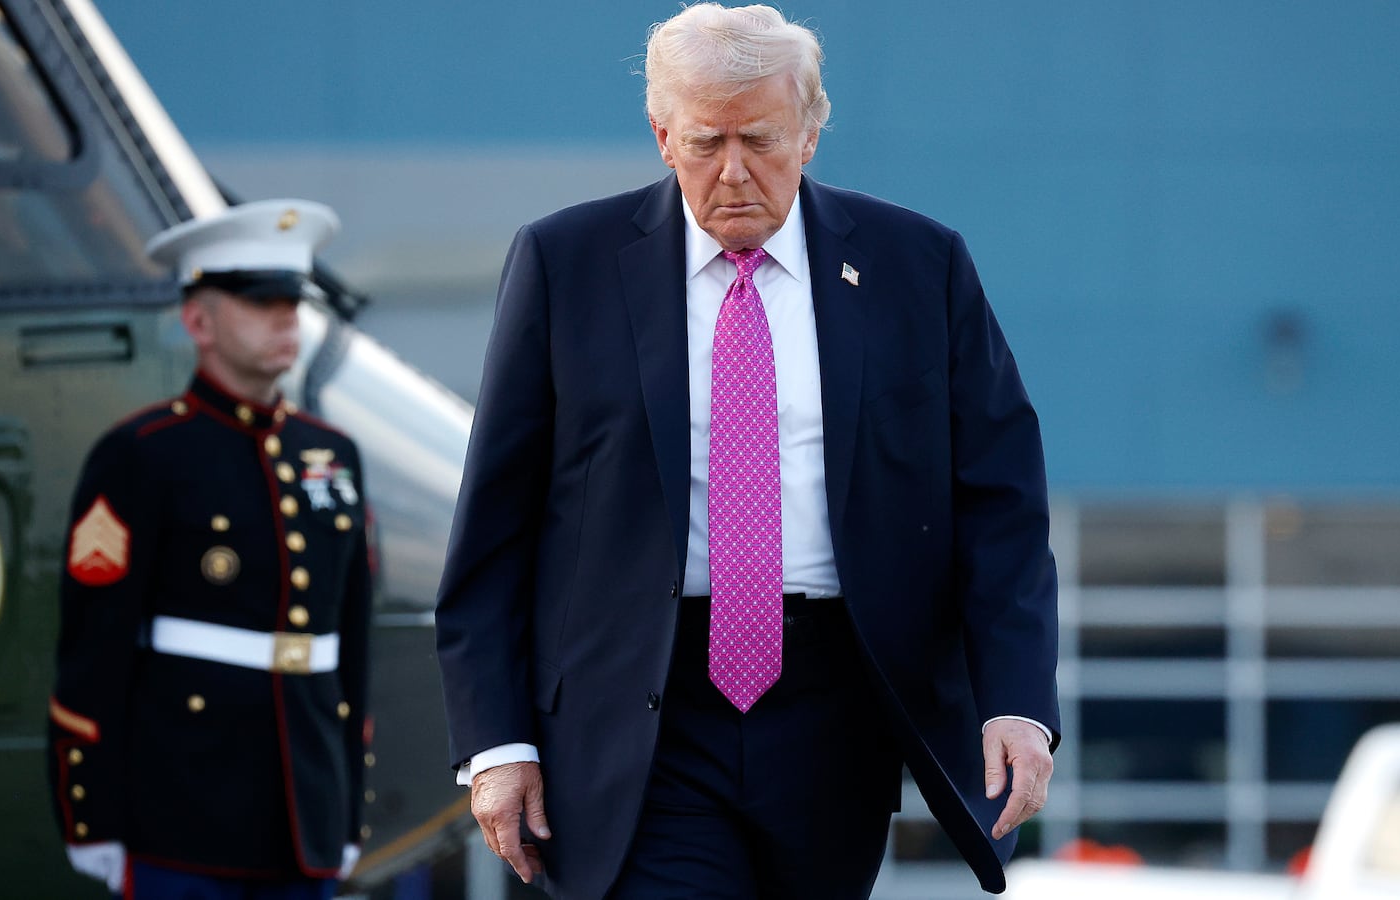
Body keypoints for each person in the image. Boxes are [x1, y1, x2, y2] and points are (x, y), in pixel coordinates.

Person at [434, 4, 1060, 898]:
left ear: (811, 133)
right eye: (704, 142)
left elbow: (999, 503)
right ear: (661, 136)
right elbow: (495, 527)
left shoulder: (917, 266)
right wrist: (496, 744)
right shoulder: (565, 264)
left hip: (837, 706)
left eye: (761, 140)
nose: (733, 173)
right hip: (640, 712)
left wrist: (1018, 699)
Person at [47, 200, 373, 898]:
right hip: (181, 819)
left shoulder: (332, 455)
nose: (286, 318)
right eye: (261, 302)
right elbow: (92, 655)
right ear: (198, 321)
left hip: (303, 819)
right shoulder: (142, 455)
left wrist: (345, 809)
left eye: (292, 301)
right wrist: (91, 819)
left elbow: (351, 650)